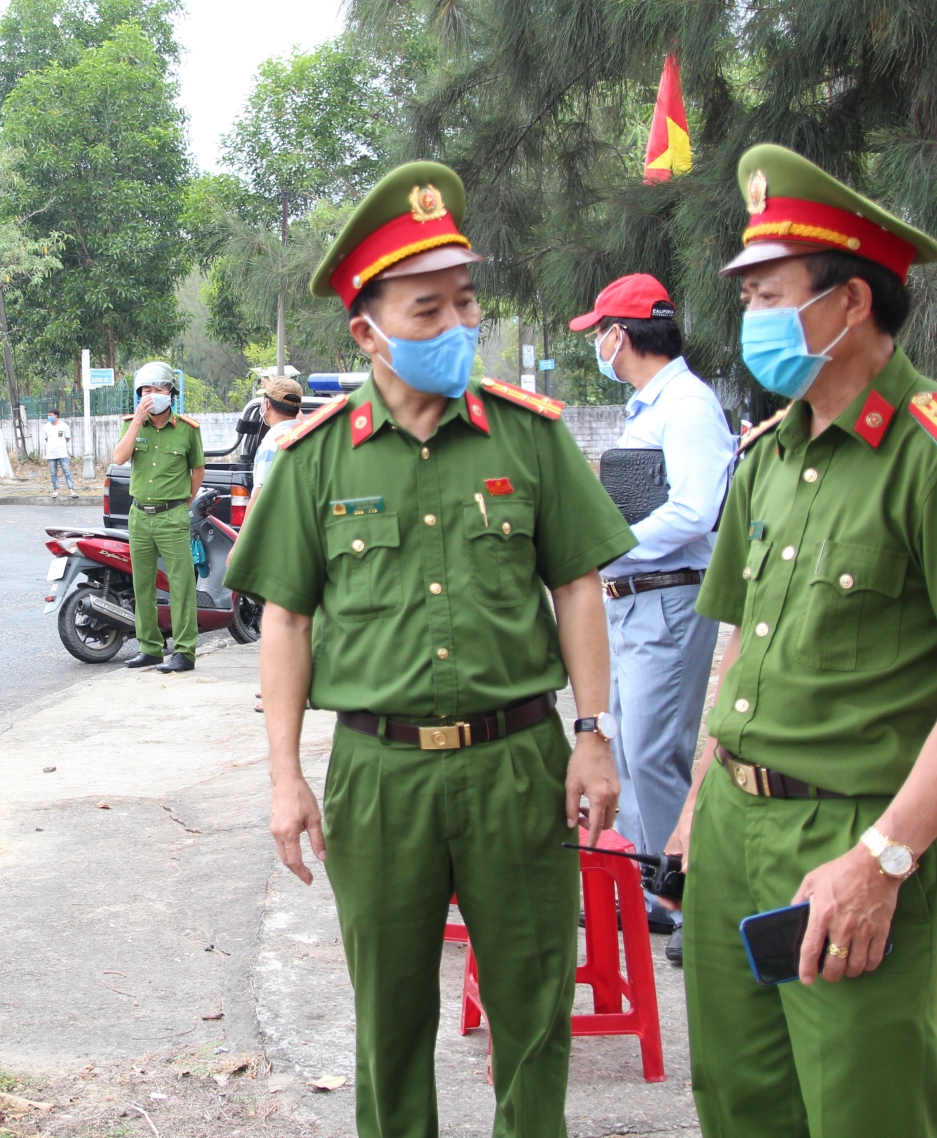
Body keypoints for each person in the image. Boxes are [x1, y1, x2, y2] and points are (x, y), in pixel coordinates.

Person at [225, 161, 635, 1138]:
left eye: (465, 302)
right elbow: (286, 621)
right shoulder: (316, 456)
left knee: (534, 1008)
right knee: (391, 1016)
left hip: (518, 762)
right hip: (380, 775)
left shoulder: (527, 437)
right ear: (367, 332)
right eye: (427, 309)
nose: (458, 324)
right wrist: (285, 777)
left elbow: (577, 584)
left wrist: (592, 733)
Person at [665, 145, 937, 1138]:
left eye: (769, 295)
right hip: (733, 827)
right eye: (746, 296)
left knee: (862, 1108)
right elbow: (743, 641)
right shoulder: (769, 456)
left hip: (853, 834)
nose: (750, 318)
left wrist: (884, 857)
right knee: (740, 1103)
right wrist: (699, 801)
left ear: (852, 301)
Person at [569, 273, 736, 959]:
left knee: (656, 753)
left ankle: (680, 898)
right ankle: (646, 891)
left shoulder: (687, 406)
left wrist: (610, 546)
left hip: (668, 595)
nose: (597, 348)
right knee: (631, 749)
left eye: (598, 334)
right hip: (635, 597)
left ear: (620, 334)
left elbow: (696, 510)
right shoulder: (651, 406)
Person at [110, 362, 206, 674]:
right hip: (139, 516)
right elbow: (119, 458)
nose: (151, 396)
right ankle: (149, 648)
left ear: (170, 393)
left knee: (181, 584)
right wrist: (137, 422)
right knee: (142, 585)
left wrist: (182, 504)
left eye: (157, 389)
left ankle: (184, 651)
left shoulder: (188, 430)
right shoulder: (132, 426)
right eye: (145, 391)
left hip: (172, 516)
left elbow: (198, 471)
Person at [245, 375, 305, 510]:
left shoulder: (272, 444)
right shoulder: (306, 435)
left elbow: (259, 497)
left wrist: (246, 525)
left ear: (266, 404)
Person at [41, 410, 76, 495]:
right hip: (51, 454)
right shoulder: (46, 427)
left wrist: (61, 445)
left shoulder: (64, 426)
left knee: (67, 471)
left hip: (62, 453)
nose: (49, 417)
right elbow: (46, 438)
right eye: (48, 415)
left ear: (56, 415)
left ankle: (71, 490)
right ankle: (56, 490)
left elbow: (67, 438)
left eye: (51, 415)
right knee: (53, 472)